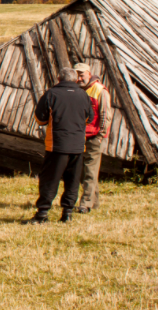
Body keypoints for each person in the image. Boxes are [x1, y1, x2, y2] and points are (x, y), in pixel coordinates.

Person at [25, 67, 93, 225]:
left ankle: (42, 214)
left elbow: (40, 119)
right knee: (73, 180)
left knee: (50, 180)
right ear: (75, 79)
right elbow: (89, 118)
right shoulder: (83, 95)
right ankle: (67, 213)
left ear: (58, 78)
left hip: (57, 144)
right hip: (77, 145)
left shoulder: (51, 94)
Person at [74, 62, 112, 214]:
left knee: (90, 170)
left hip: (94, 136)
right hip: (81, 136)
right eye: (77, 75)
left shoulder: (99, 90)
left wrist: (101, 135)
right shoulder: (78, 90)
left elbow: (106, 115)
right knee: (86, 171)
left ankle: (85, 204)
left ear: (89, 74)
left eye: (81, 75)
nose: (79, 78)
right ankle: (93, 202)